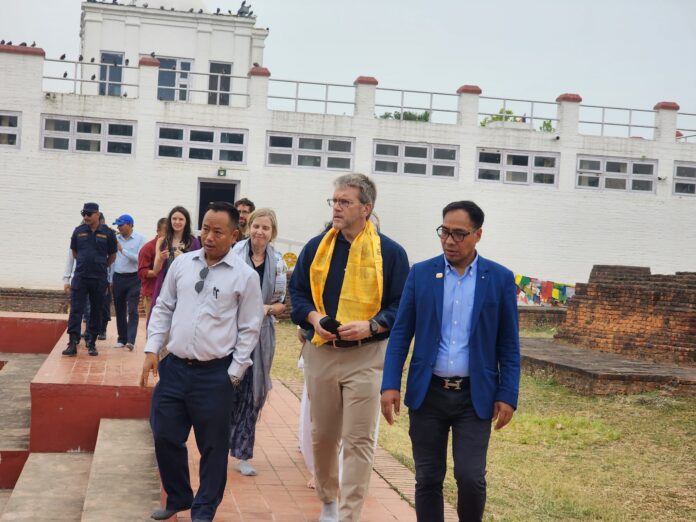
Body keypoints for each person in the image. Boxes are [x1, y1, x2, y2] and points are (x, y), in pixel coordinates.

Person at [380, 200, 521, 522]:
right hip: (428, 393)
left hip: (475, 396)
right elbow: (401, 334)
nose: (449, 241)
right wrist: (390, 384)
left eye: (459, 234)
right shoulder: (421, 274)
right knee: (428, 478)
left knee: (470, 477)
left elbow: (509, 344)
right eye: (444, 232)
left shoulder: (499, 278)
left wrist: (508, 394)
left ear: (478, 235)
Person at [289, 173, 409, 522]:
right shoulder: (317, 247)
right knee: (323, 435)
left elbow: (402, 305)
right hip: (322, 352)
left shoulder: (390, 253)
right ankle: (328, 499)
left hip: (367, 357)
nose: (337, 208)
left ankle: (348, 514)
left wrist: (372, 325)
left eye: (345, 202)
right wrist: (314, 318)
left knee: (359, 439)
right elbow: (297, 293)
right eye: (335, 201)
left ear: (366, 208)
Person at [141, 201, 263, 522]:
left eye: (218, 232)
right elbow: (164, 307)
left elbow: (250, 329)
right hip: (175, 367)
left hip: (215, 374)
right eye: (205, 229)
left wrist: (234, 373)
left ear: (234, 236)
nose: (208, 237)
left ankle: (204, 510)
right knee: (164, 434)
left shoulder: (245, 277)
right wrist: (152, 348)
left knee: (212, 447)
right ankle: (179, 496)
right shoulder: (182, 265)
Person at [229, 208, 287, 477]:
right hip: (232, 333)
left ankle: (243, 453)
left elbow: (281, 304)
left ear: (272, 233)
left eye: (265, 228)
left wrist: (265, 308)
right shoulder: (234, 255)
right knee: (229, 390)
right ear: (248, 228)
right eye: (256, 226)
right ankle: (219, 444)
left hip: (262, 337)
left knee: (253, 394)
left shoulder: (279, 263)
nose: (259, 232)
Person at [63, 202, 117, 357]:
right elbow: (74, 253)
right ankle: (72, 342)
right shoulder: (78, 231)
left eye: (89, 214)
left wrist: (101, 266)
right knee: (76, 310)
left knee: (96, 310)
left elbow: (112, 255)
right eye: (84, 214)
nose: (86, 217)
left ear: (97, 215)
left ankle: (92, 342)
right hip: (80, 276)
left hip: (99, 278)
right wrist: (68, 277)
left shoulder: (108, 233)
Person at [150, 206, 200, 320]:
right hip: (164, 285)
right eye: (174, 219)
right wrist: (160, 258)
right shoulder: (162, 241)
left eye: (181, 219)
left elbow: (198, 269)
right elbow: (155, 270)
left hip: (184, 287)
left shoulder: (194, 242)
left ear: (186, 222)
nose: (177, 222)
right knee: (161, 318)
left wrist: (183, 259)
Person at [112, 214, 145, 350]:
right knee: (119, 309)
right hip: (118, 277)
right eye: (118, 225)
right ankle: (122, 339)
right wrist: (109, 279)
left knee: (132, 309)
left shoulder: (140, 239)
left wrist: (122, 250)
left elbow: (140, 258)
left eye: (121, 225)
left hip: (134, 278)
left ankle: (131, 340)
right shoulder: (115, 239)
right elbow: (112, 259)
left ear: (130, 225)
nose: (119, 227)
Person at [138, 217, 167, 321]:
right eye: (166, 232)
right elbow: (142, 272)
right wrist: (155, 272)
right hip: (152, 293)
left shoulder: (174, 248)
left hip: (169, 294)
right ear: (158, 231)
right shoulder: (148, 248)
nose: (169, 235)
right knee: (153, 325)